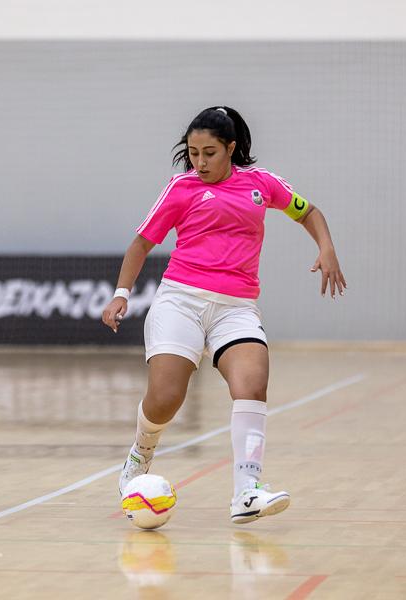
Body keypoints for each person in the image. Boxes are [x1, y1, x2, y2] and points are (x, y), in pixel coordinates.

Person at [102, 106, 347, 524]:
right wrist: (121, 293)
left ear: (231, 148)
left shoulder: (261, 184)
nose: (199, 162)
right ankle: (140, 454)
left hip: (236, 306)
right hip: (181, 300)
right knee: (165, 399)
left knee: (252, 383)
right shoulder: (181, 187)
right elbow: (141, 243)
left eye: (209, 153)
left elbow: (308, 211)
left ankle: (246, 492)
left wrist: (325, 246)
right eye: (193, 152)